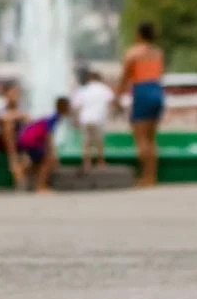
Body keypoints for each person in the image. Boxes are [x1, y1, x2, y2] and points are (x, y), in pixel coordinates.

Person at [117, 22, 166, 187]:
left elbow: (124, 77)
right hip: (157, 90)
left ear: (138, 34)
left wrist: (117, 98)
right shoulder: (158, 52)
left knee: (141, 139)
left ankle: (145, 177)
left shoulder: (133, 53)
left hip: (142, 90)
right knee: (151, 139)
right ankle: (152, 176)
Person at [15, 97, 71, 194]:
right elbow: (48, 136)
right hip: (31, 140)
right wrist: (52, 152)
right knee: (47, 161)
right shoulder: (54, 118)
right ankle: (40, 186)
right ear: (64, 107)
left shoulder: (53, 117)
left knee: (38, 162)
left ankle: (22, 170)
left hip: (26, 139)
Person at [70, 69, 115, 173]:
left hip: (85, 118)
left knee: (86, 141)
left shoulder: (84, 89)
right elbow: (112, 101)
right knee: (99, 141)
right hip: (99, 118)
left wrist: (75, 119)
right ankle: (101, 162)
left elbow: (76, 106)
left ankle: (87, 162)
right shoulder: (104, 89)